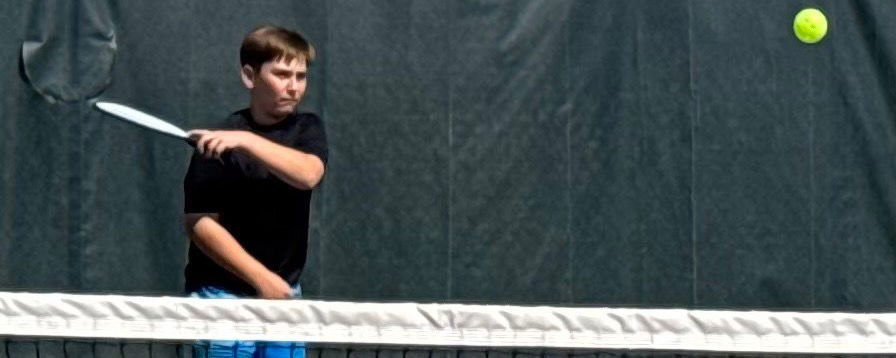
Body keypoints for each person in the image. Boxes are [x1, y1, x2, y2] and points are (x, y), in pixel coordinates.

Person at [182, 25, 327, 358]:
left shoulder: (308, 130)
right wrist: (261, 279)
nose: (293, 86)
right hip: (220, 299)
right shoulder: (217, 140)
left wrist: (246, 142)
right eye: (281, 74)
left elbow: (308, 174)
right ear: (250, 76)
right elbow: (199, 224)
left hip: (284, 296)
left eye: (301, 76)